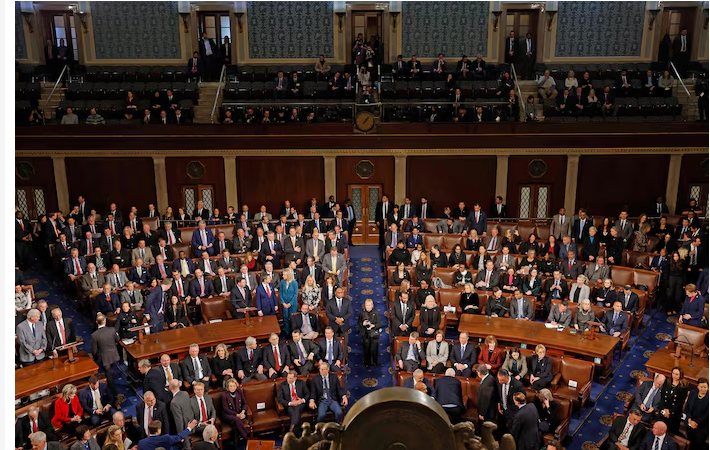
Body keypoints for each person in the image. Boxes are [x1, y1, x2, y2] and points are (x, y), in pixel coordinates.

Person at [90, 313, 120, 397]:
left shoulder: (94, 335)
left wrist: (96, 358)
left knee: (108, 375)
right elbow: (117, 340)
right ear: (105, 321)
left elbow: (94, 350)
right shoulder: (112, 330)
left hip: (104, 358)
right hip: (113, 355)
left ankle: (114, 393)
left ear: (96, 322)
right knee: (111, 371)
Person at [658, 366, 688, 434]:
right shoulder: (667, 381)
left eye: (677, 374)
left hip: (674, 412)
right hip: (664, 409)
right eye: (673, 373)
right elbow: (662, 397)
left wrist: (669, 411)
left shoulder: (683, 386)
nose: (674, 376)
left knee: (671, 431)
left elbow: (680, 402)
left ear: (681, 375)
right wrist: (664, 409)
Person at [220, 378, 248, 446]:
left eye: (233, 386)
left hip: (239, 414)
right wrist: (237, 415)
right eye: (230, 386)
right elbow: (226, 409)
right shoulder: (224, 395)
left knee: (236, 424)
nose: (232, 387)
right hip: (228, 415)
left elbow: (245, 403)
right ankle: (246, 437)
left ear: (236, 386)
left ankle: (236, 443)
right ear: (227, 387)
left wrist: (243, 412)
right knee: (237, 419)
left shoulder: (239, 392)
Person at [684, 377, 708, 450]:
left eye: (705, 387)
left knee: (697, 445)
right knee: (689, 442)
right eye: (701, 387)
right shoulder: (693, 393)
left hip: (701, 427)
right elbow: (687, 407)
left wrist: (696, 422)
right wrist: (689, 419)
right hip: (690, 423)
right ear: (697, 386)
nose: (703, 389)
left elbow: (707, 414)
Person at [325, 287, 352, 352]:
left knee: (344, 346)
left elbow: (350, 312)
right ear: (335, 293)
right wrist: (335, 319)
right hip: (334, 327)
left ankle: (344, 360)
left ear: (343, 293)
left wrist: (342, 319)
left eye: (341, 293)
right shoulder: (330, 302)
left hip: (344, 326)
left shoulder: (347, 301)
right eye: (338, 293)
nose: (340, 294)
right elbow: (328, 313)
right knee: (334, 346)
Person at [358, 299, 381, 368]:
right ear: (365, 306)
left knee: (374, 349)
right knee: (366, 349)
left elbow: (379, 324)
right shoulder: (362, 313)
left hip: (374, 334)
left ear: (372, 306)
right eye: (367, 305)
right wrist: (363, 323)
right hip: (365, 334)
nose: (368, 307)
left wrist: (373, 326)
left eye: (370, 305)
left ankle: (375, 362)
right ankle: (367, 362)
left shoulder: (376, 313)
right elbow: (359, 323)